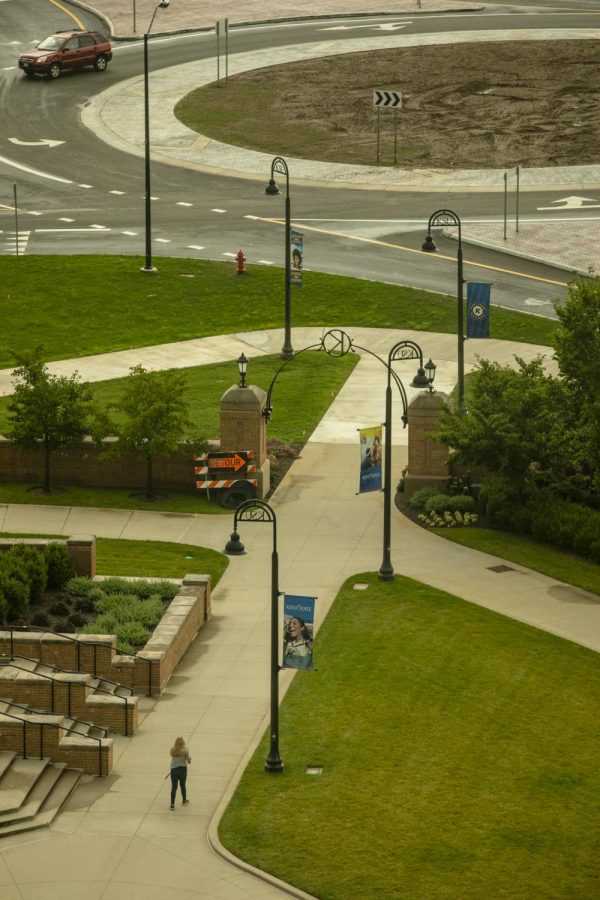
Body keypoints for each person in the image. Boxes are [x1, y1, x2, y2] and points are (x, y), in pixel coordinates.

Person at [169, 736, 191, 809]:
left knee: (174, 787)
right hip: (182, 770)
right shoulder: (185, 751)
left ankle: (172, 804)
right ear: (183, 743)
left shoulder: (172, 750)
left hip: (174, 771)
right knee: (182, 785)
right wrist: (188, 756)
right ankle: (184, 801)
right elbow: (188, 761)